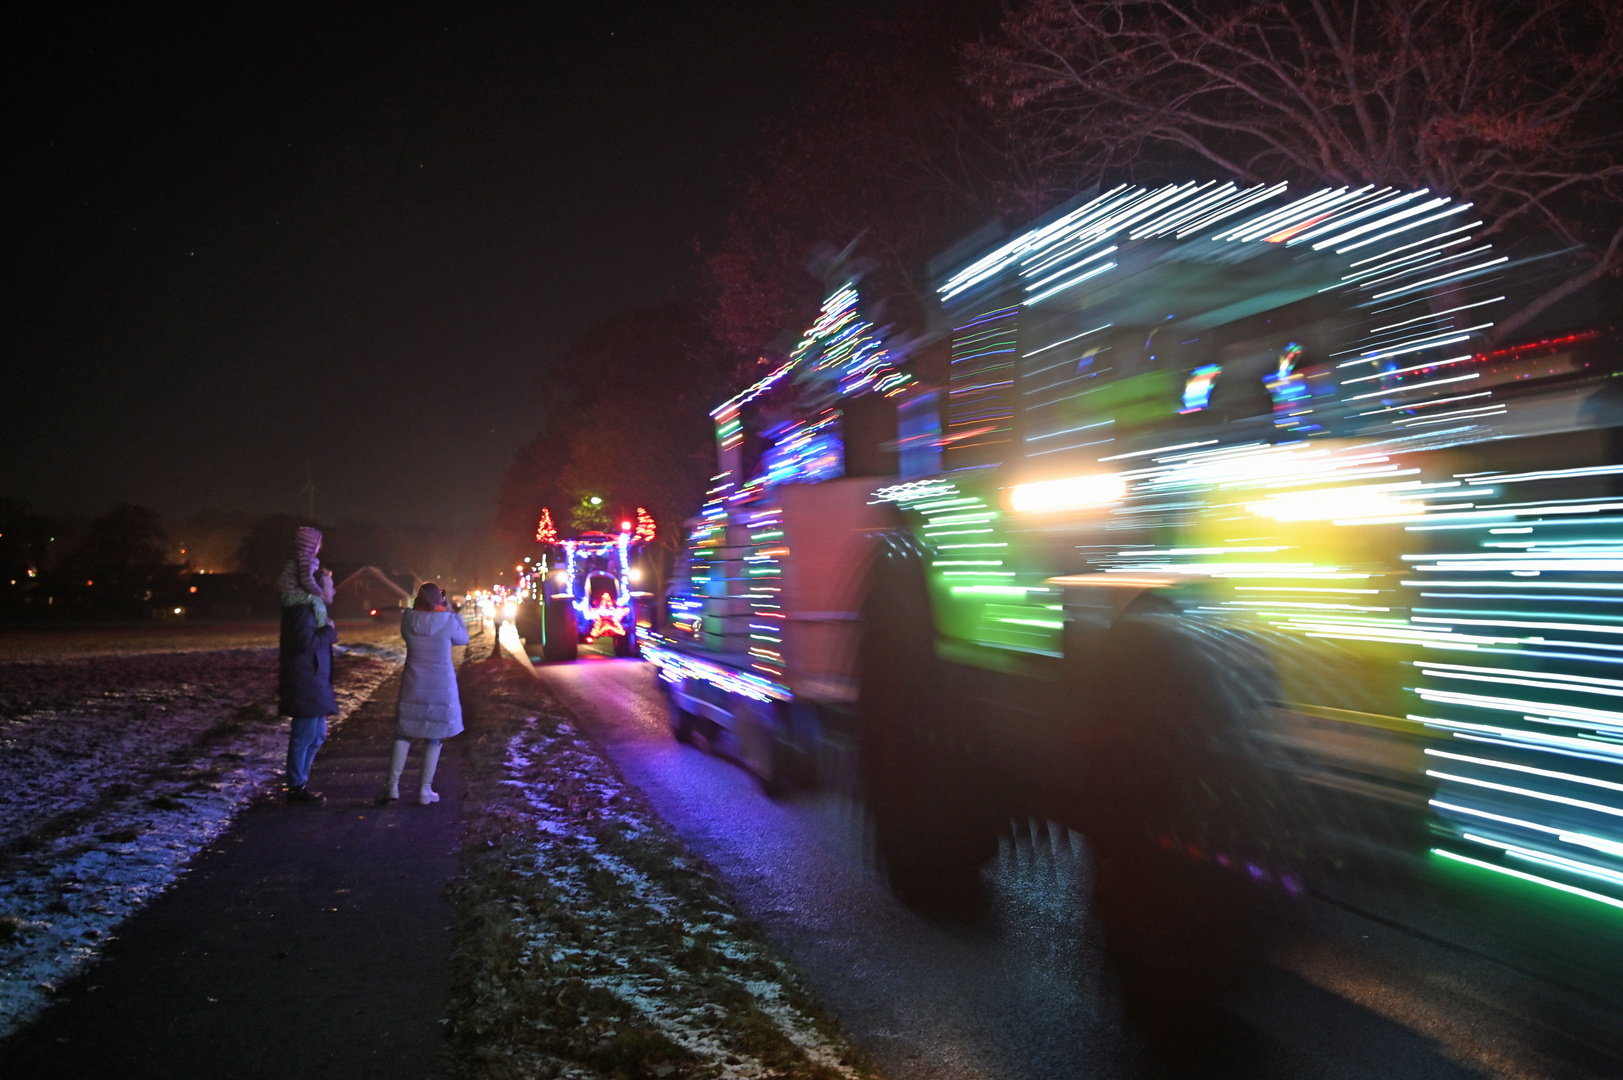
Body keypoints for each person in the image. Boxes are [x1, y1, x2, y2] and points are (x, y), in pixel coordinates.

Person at [378, 582, 469, 806]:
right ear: (439, 600)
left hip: (414, 683)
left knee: (403, 733)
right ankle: (424, 790)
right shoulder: (447, 621)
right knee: (434, 735)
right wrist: (450, 610)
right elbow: (463, 639)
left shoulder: (407, 621)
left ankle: (391, 786)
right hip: (440, 685)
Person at [277, 527, 338, 805]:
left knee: (317, 735)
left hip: (313, 679)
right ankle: (296, 788)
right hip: (305, 680)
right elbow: (305, 643)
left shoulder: (311, 608)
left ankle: (300, 782)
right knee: (304, 736)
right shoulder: (301, 610)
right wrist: (330, 633)